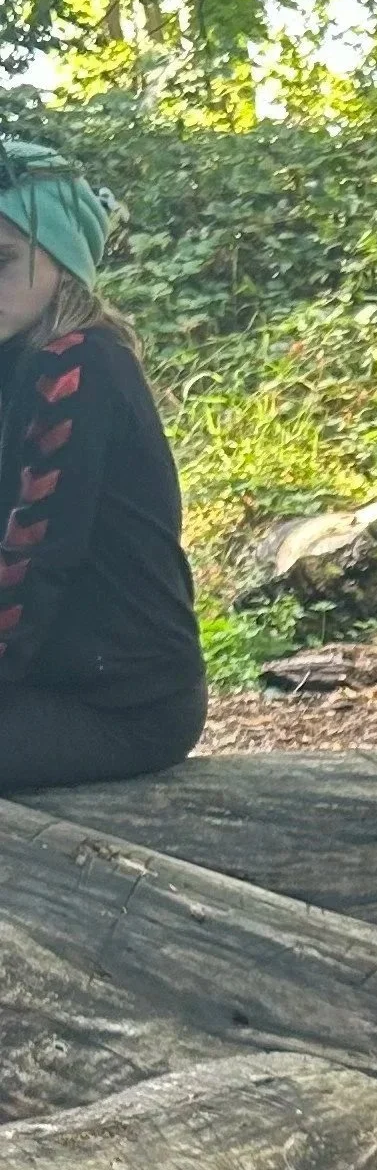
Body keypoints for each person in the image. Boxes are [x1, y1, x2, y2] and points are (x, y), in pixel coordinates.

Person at [0, 139, 206, 789]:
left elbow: (33, 561)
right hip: (60, 680)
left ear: (63, 262)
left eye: (3, 260)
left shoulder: (76, 363)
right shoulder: (18, 355)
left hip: (123, 704)